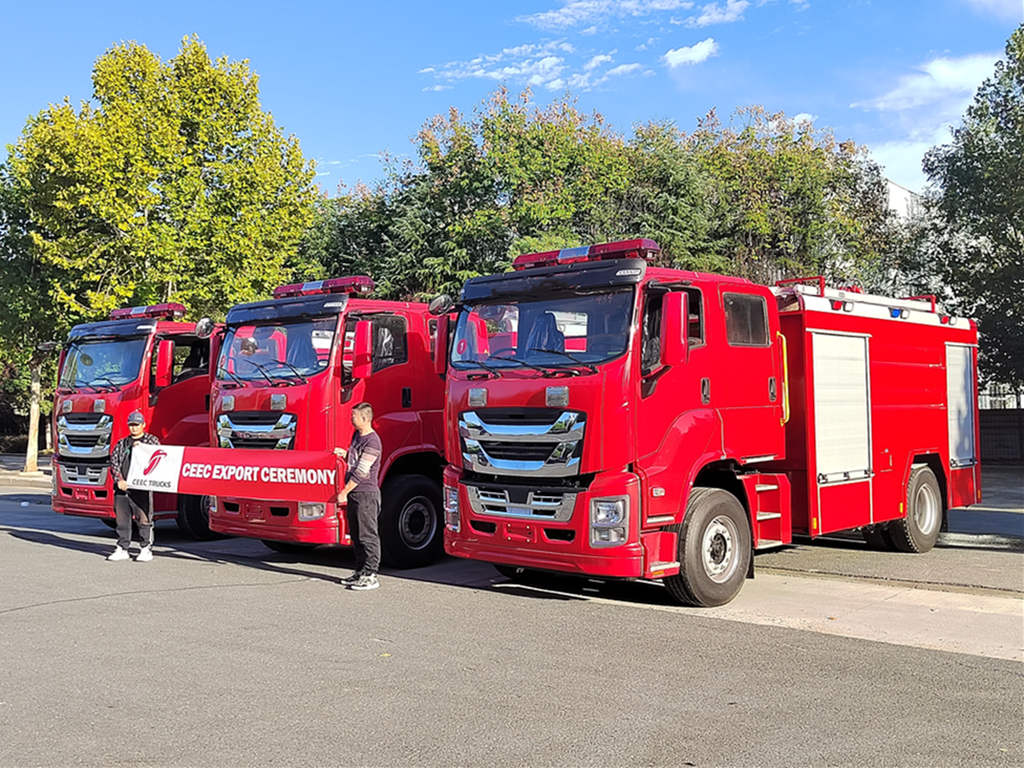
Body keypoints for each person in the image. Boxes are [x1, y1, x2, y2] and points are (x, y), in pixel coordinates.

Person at [334, 402, 383, 591]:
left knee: (367, 535)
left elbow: (362, 471)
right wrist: (345, 454)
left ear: (364, 418)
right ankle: (360, 571)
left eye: (353, 416)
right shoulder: (357, 436)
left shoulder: (373, 441)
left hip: (366, 494)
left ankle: (371, 574)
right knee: (355, 534)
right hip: (355, 493)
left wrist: (344, 491)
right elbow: (356, 460)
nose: (350, 419)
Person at [107, 410, 160, 562]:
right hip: (123, 487)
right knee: (122, 519)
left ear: (143, 425)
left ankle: (145, 548)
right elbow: (114, 462)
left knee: (144, 518)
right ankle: (122, 548)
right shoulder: (122, 443)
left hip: (141, 487)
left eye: (137, 425)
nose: (134, 428)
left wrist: (142, 447)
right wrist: (119, 479)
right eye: (131, 425)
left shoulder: (151, 441)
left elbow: (158, 457)